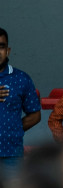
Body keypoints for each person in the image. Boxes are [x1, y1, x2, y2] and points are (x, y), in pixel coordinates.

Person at [0, 30, 39, 167]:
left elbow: (35, 115)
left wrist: (14, 129)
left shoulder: (21, 79)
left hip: (12, 155)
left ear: (8, 50)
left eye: (1, 46)